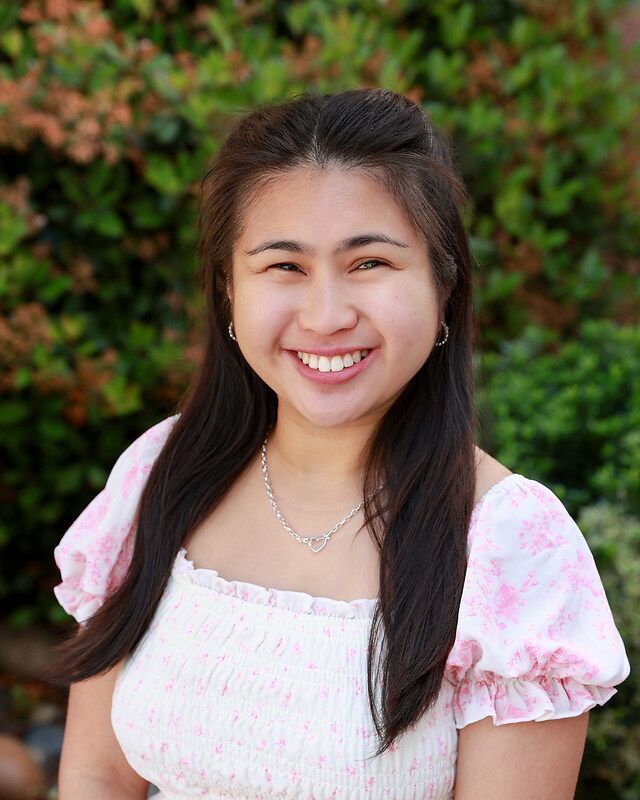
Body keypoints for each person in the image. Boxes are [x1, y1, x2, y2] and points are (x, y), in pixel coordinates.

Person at [45, 88, 630, 800]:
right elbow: (96, 777)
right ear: (229, 289)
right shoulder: (160, 472)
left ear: (443, 284)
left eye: (369, 264)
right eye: (284, 267)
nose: (325, 316)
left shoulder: (511, 546)